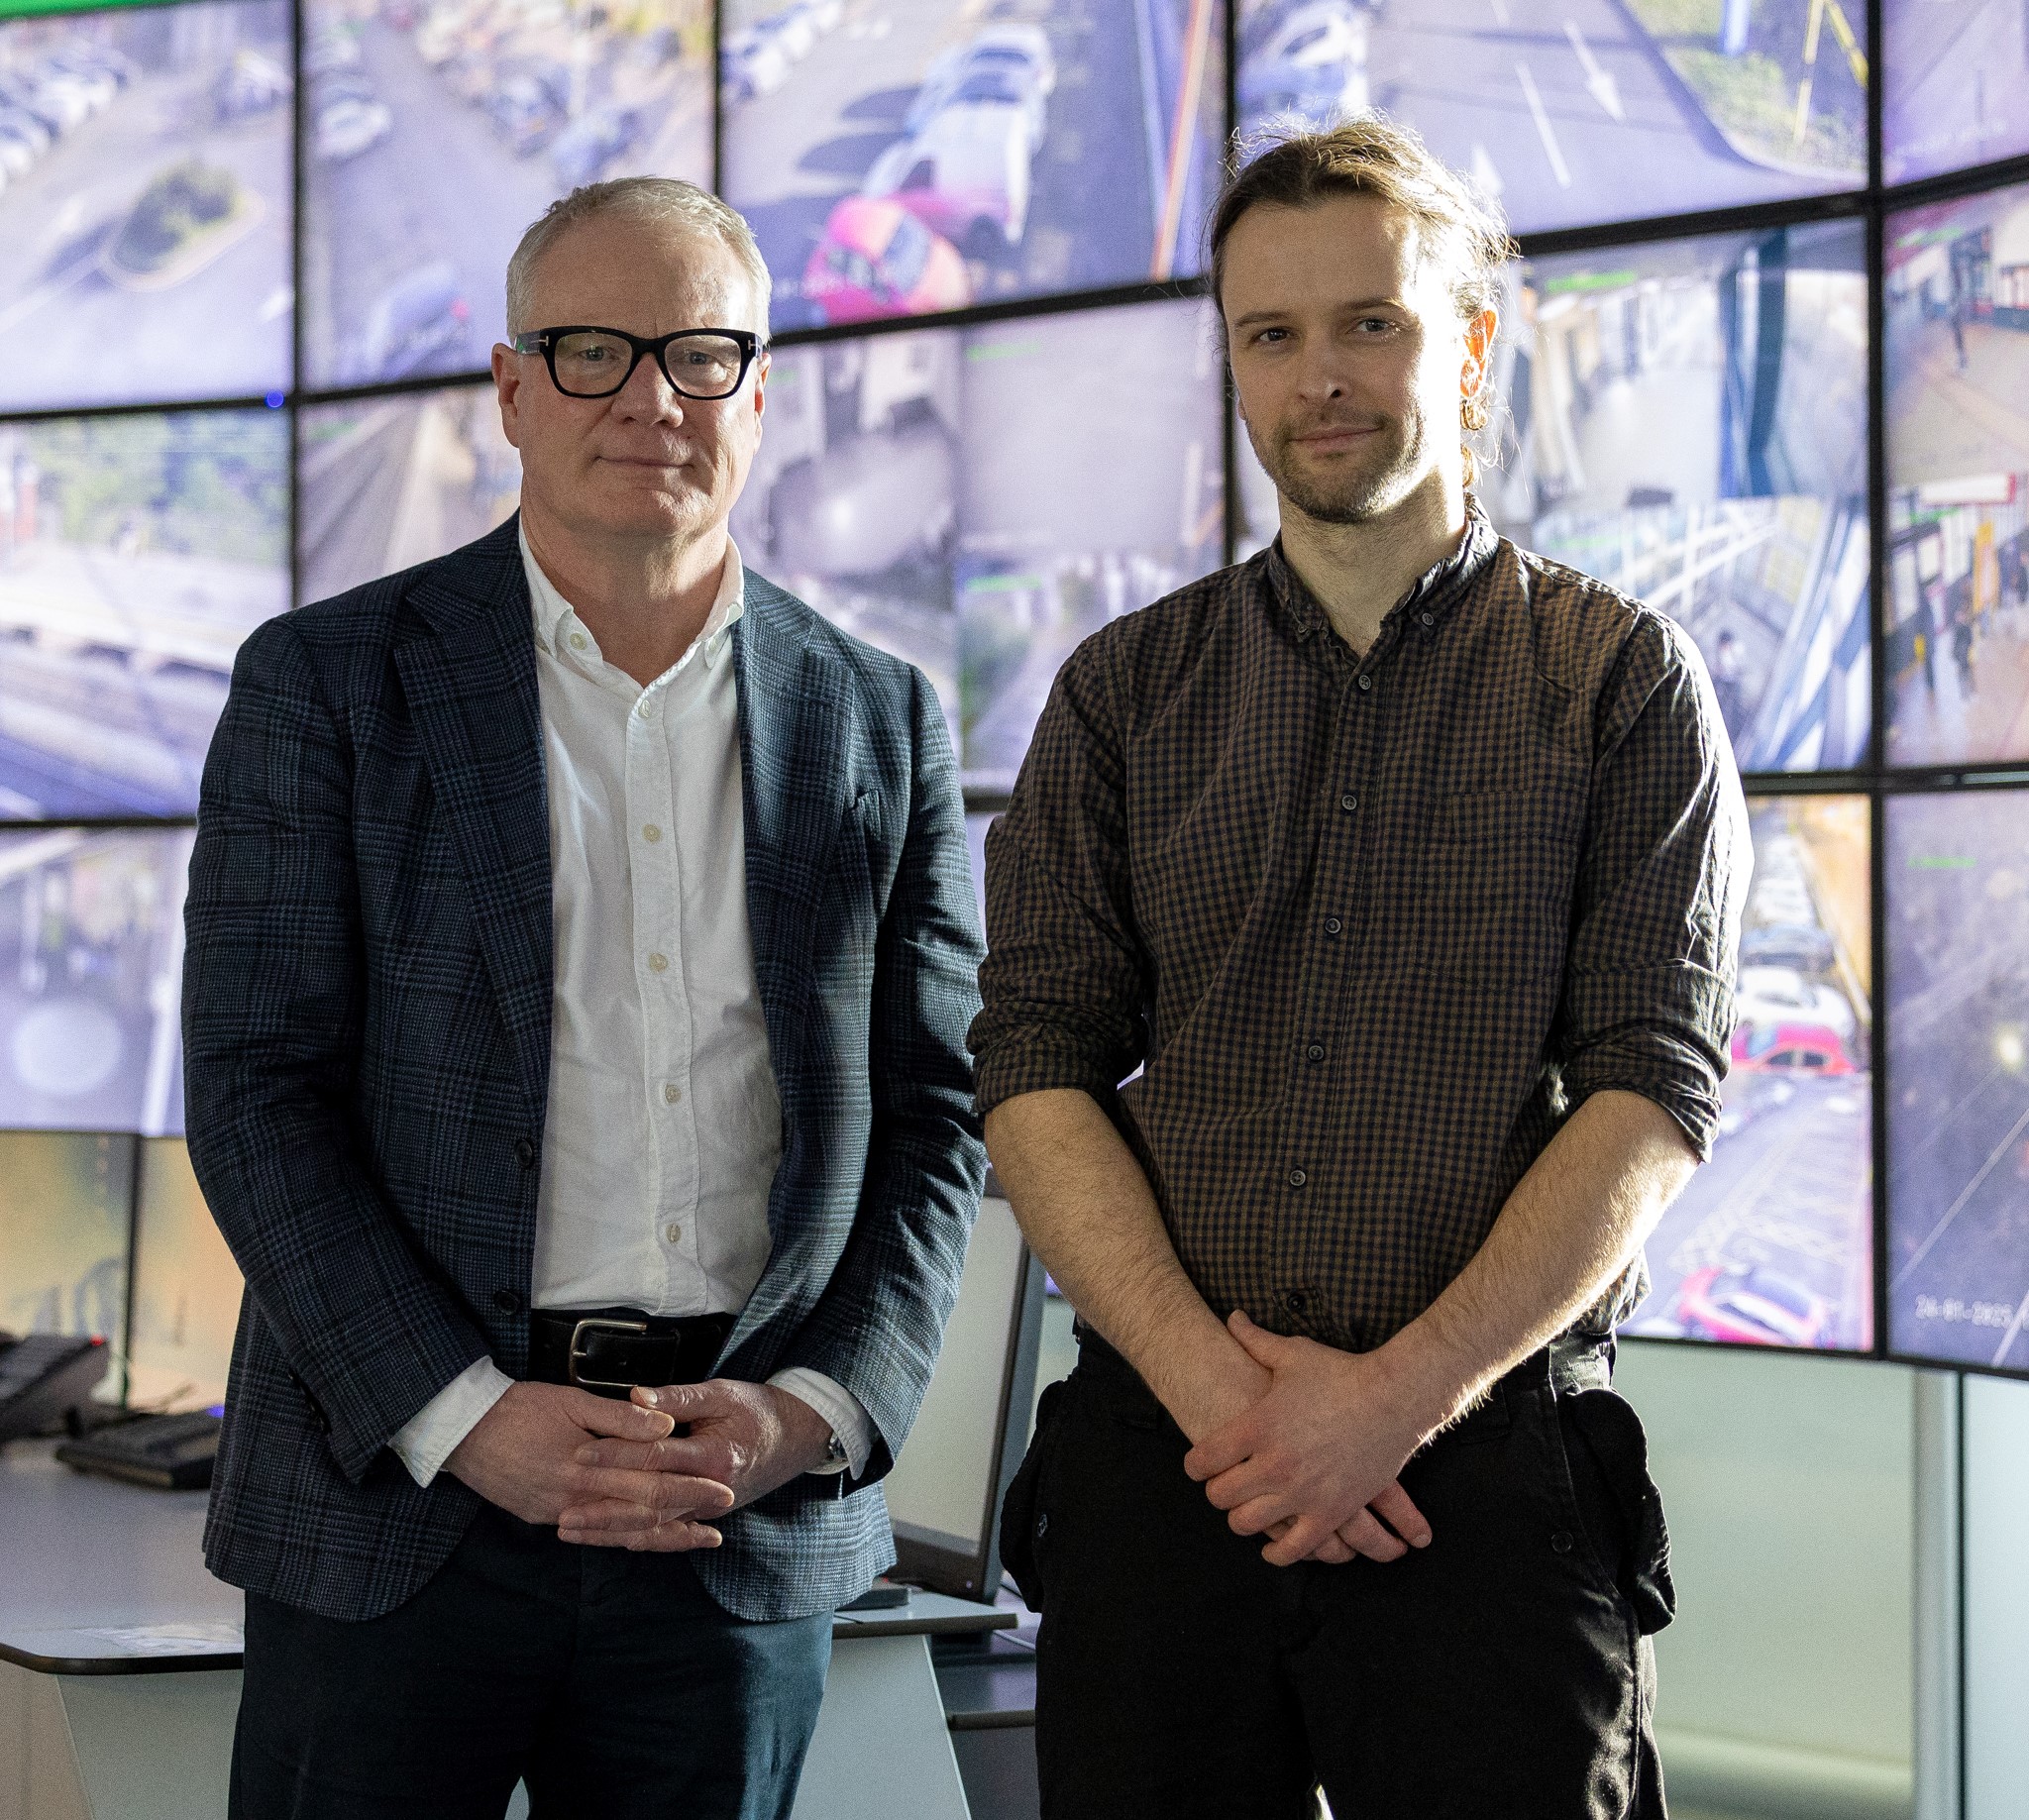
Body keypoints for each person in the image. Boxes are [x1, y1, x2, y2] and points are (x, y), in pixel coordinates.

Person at [972, 118, 1750, 1818]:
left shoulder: (1621, 687)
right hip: (1168, 1471)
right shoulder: (1121, 694)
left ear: (1468, 344)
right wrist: (1229, 1402)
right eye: (1273, 334)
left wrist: (1389, 1403)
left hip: (1480, 1478)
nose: (1319, 377)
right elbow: (1032, 1063)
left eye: (1370, 323)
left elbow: (1653, 1089)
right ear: (1237, 367)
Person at [183, 177, 984, 1820]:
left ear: (761, 394)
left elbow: (940, 1120)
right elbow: (258, 1093)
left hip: (731, 1513)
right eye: (593, 350)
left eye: (700, 354)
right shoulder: (326, 683)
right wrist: (469, 1417)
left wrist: (811, 1410)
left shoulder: (884, 720)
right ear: (509, 388)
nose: (648, 397)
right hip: (404, 1507)